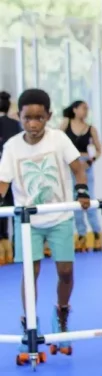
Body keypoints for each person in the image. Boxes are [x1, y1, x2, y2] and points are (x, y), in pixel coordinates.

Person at [0, 89, 91, 365]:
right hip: (28, 221)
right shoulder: (12, 147)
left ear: (49, 116)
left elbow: (78, 168)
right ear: (20, 117)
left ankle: (61, 315)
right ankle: (30, 325)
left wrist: (83, 190)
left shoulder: (59, 139)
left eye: (40, 118)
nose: (34, 124)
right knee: (31, 272)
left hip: (60, 216)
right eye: (28, 118)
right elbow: (3, 183)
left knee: (65, 272)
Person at [60, 101, 102, 253]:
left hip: (85, 164)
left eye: (87, 109)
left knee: (88, 198)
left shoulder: (91, 129)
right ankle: (81, 236)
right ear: (75, 109)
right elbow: (57, 140)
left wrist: (90, 161)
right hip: (71, 164)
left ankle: (97, 234)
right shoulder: (66, 124)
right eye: (83, 108)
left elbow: (99, 150)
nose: (86, 111)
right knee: (75, 200)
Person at [0, 90, 22, 266]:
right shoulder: (16, 125)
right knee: (15, 210)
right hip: (14, 173)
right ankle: (15, 250)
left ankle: (2, 250)